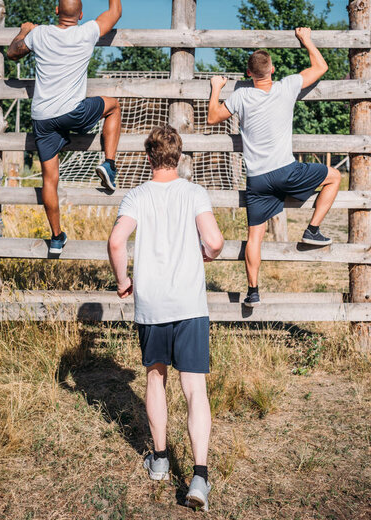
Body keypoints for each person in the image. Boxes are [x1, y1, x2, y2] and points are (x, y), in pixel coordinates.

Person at [108, 126, 224, 512]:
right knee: (195, 389)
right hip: (189, 303)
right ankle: (200, 476)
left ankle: (159, 460)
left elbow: (115, 241)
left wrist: (124, 280)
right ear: (179, 156)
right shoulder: (193, 192)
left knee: (155, 376)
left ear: (148, 157)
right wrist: (207, 252)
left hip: (152, 303)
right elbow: (216, 241)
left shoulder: (137, 195)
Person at [207, 27, 341, 307]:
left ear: (248, 74)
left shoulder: (241, 96)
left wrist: (216, 88)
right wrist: (306, 39)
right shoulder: (287, 85)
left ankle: (252, 291)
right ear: (273, 69)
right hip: (286, 172)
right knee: (335, 176)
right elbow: (321, 66)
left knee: (255, 235)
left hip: (257, 179)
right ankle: (312, 230)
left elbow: (212, 117)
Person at [7, 0, 122, 254]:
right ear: (81, 15)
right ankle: (108, 164)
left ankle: (56, 238)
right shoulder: (87, 32)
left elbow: (12, 52)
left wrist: (25, 30)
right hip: (73, 112)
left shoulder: (40, 34)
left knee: (49, 180)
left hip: (43, 117)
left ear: (56, 10)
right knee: (114, 105)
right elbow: (115, 12)